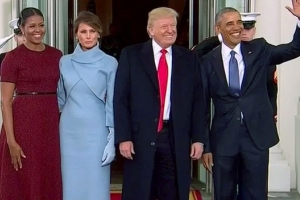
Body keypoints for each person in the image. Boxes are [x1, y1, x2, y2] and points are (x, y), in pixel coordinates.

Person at [199, 3, 300, 200]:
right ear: (218, 29)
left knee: (255, 194)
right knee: (224, 194)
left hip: (256, 137)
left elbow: (293, 49)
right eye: (230, 24)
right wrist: (206, 146)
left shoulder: (259, 49)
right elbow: (202, 107)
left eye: (239, 22)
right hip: (223, 140)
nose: (237, 27)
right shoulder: (207, 61)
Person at [113, 7, 205, 200]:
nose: (170, 30)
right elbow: (121, 99)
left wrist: (198, 138)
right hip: (140, 137)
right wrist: (124, 137)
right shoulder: (131, 56)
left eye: (173, 26)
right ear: (150, 30)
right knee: (141, 190)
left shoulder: (189, 59)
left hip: (175, 137)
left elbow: (198, 102)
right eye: (164, 26)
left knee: (171, 190)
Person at [0, 7, 63, 200]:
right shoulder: (12, 58)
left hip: (50, 124)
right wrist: (11, 141)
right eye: (32, 26)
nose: (38, 30)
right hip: (22, 126)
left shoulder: (57, 55)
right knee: (24, 178)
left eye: (42, 25)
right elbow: (5, 101)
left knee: (48, 175)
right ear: (21, 28)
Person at [58, 11, 117, 200]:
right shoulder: (64, 61)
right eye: (83, 31)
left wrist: (112, 137)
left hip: (97, 130)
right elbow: (59, 98)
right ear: (76, 34)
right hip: (69, 131)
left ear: (99, 33)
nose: (88, 36)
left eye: (92, 31)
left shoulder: (110, 63)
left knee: (96, 184)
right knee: (71, 183)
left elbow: (112, 102)